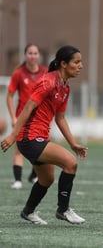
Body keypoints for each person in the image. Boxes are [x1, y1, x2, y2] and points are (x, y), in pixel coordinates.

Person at [1, 45, 88, 225]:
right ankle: (63, 210)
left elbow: (61, 118)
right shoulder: (47, 81)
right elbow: (27, 107)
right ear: (63, 64)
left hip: (38, 137)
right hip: (29, 138)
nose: (80, 66)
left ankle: (28, 211)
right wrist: (12, 135)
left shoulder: (65, 87)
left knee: (46, 179)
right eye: (76, 62)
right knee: (71, 163)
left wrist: (73, 144)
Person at [6, 43, 48, 189]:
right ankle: (18, 180)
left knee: (40, 147)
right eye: (30, 53)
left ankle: (33, 175)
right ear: (25, 55)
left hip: (39, 118)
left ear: (39, 55)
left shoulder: (45, 72)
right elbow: (9, 96)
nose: (33, 56)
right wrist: (13, 117)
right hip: (21, 116)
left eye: (35, 53)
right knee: (19, 148)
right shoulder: (19, 73)